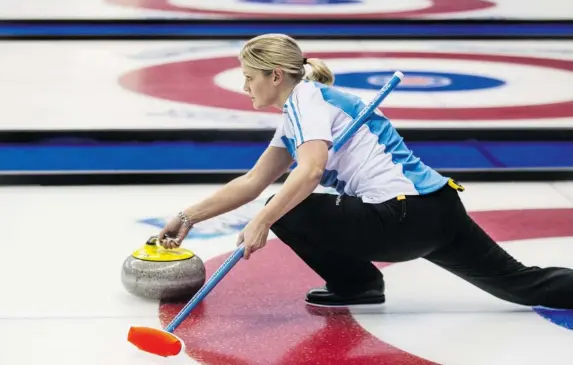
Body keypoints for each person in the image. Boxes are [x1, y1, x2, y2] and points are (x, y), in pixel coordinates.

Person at [157, 33, 573, 310]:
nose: (245, 87)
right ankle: (359, 284)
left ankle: (358, 285)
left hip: (401, 214)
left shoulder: (306, 102)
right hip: (437, 207)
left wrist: (262, 222)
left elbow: (311, 172)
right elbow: (252, 181)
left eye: (249, 78)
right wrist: (188, 216)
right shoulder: (299, 113)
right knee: (522, 283)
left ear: (276, 76)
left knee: (287, 210)